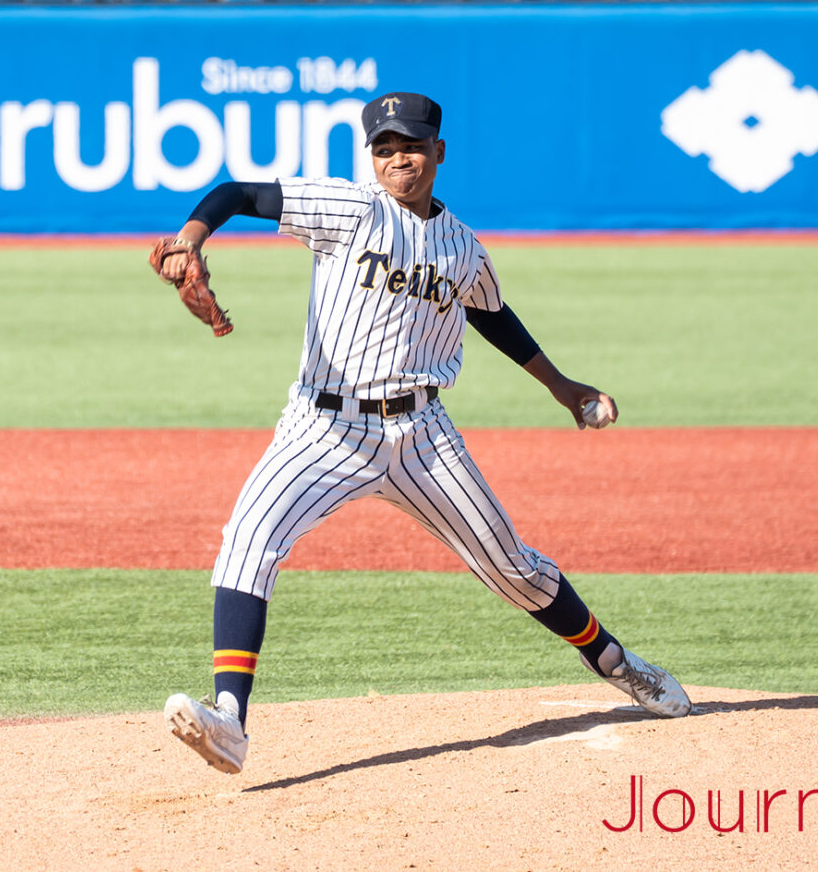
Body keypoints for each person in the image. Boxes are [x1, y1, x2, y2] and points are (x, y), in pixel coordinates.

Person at [161, 91, 690, 775]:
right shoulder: (350, 209)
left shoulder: (463, 246)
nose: (397, 159)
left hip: (423, 436)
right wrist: (190, 239)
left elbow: (492, 314)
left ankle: (615, 662)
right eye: (384, 148)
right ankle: (229, 720)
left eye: (410, 146)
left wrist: (561, 386)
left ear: (438, 152)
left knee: (514, 571)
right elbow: (238, 193)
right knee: (248, 539)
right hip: (322, 427)